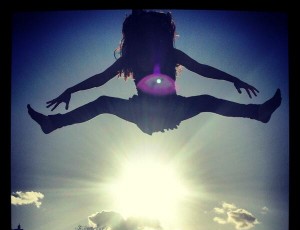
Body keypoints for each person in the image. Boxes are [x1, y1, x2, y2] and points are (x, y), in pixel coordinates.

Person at [28, 10, 281, 136]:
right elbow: (100, 78)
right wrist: (70, 89)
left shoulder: (172, 54)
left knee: (207, 101)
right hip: (147, 111)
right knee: (103, 103)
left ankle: (258, 112)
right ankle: (52, 124)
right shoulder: (132, 57)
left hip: (168, 109)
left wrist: (233, 78)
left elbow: (203, 69)